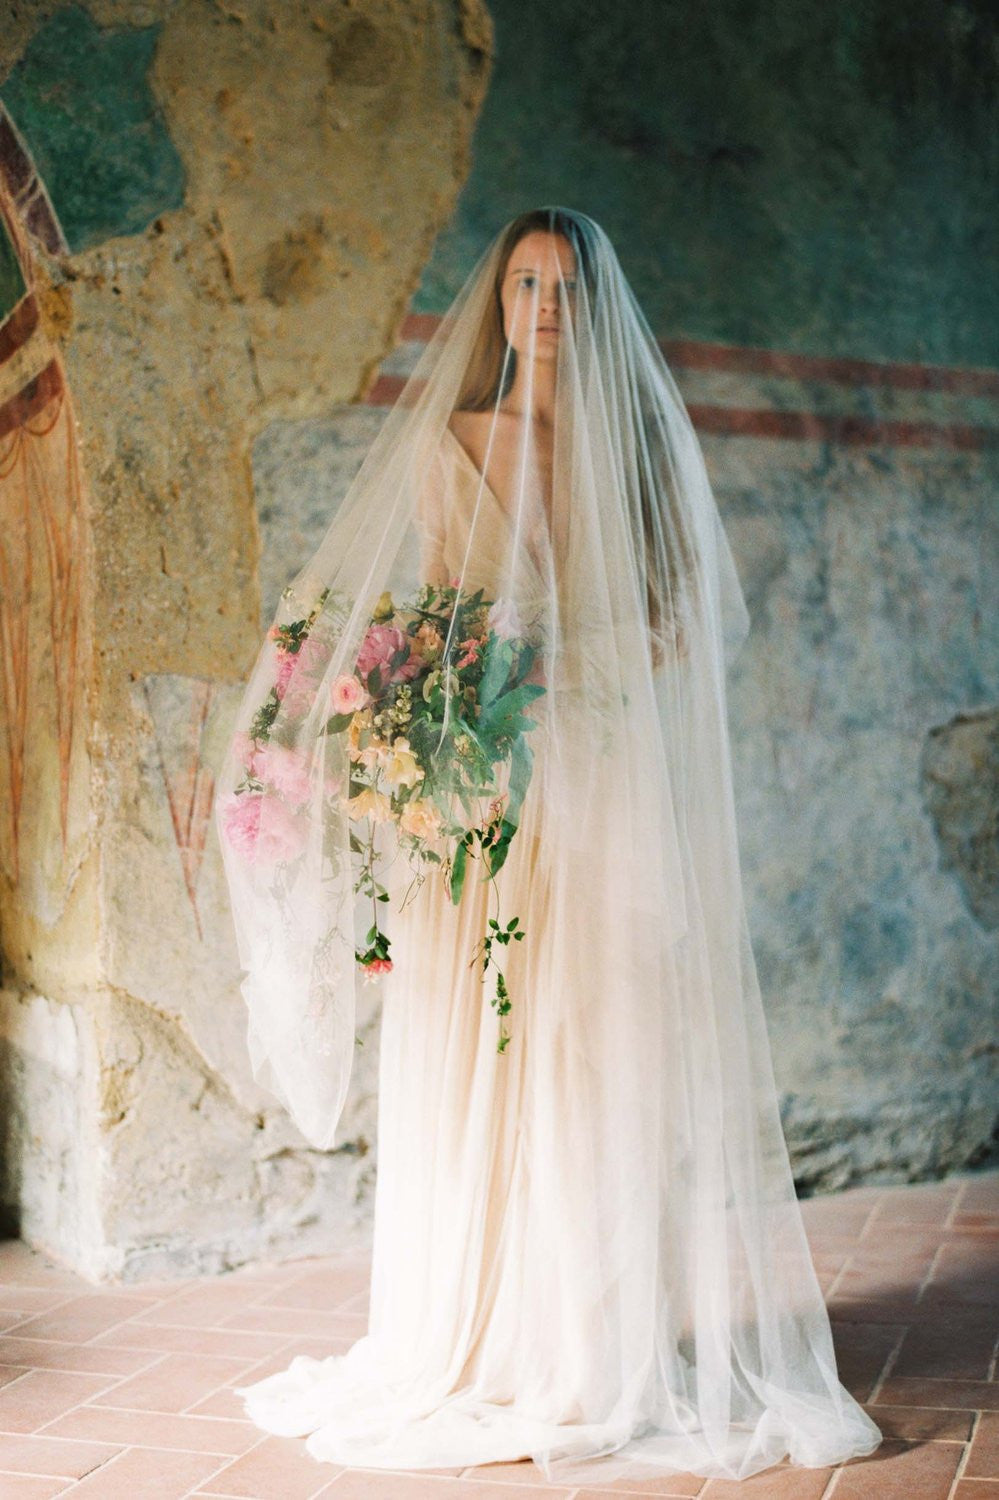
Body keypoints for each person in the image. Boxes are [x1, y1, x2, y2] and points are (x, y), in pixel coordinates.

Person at [214, 206, 883, 1486]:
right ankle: (480, 1334)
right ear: (500, 302)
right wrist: (447, 706)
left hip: (603, 787)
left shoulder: (631, 457)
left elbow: (685, 620)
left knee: (593, 1053)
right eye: (524, 282)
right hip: (484, 798)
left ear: (595, 305)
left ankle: (589, 1341)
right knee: (479, 1050)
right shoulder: (456, 441)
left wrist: (584, 670)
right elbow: (435, 611)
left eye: (566, 286)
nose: (544, 307)